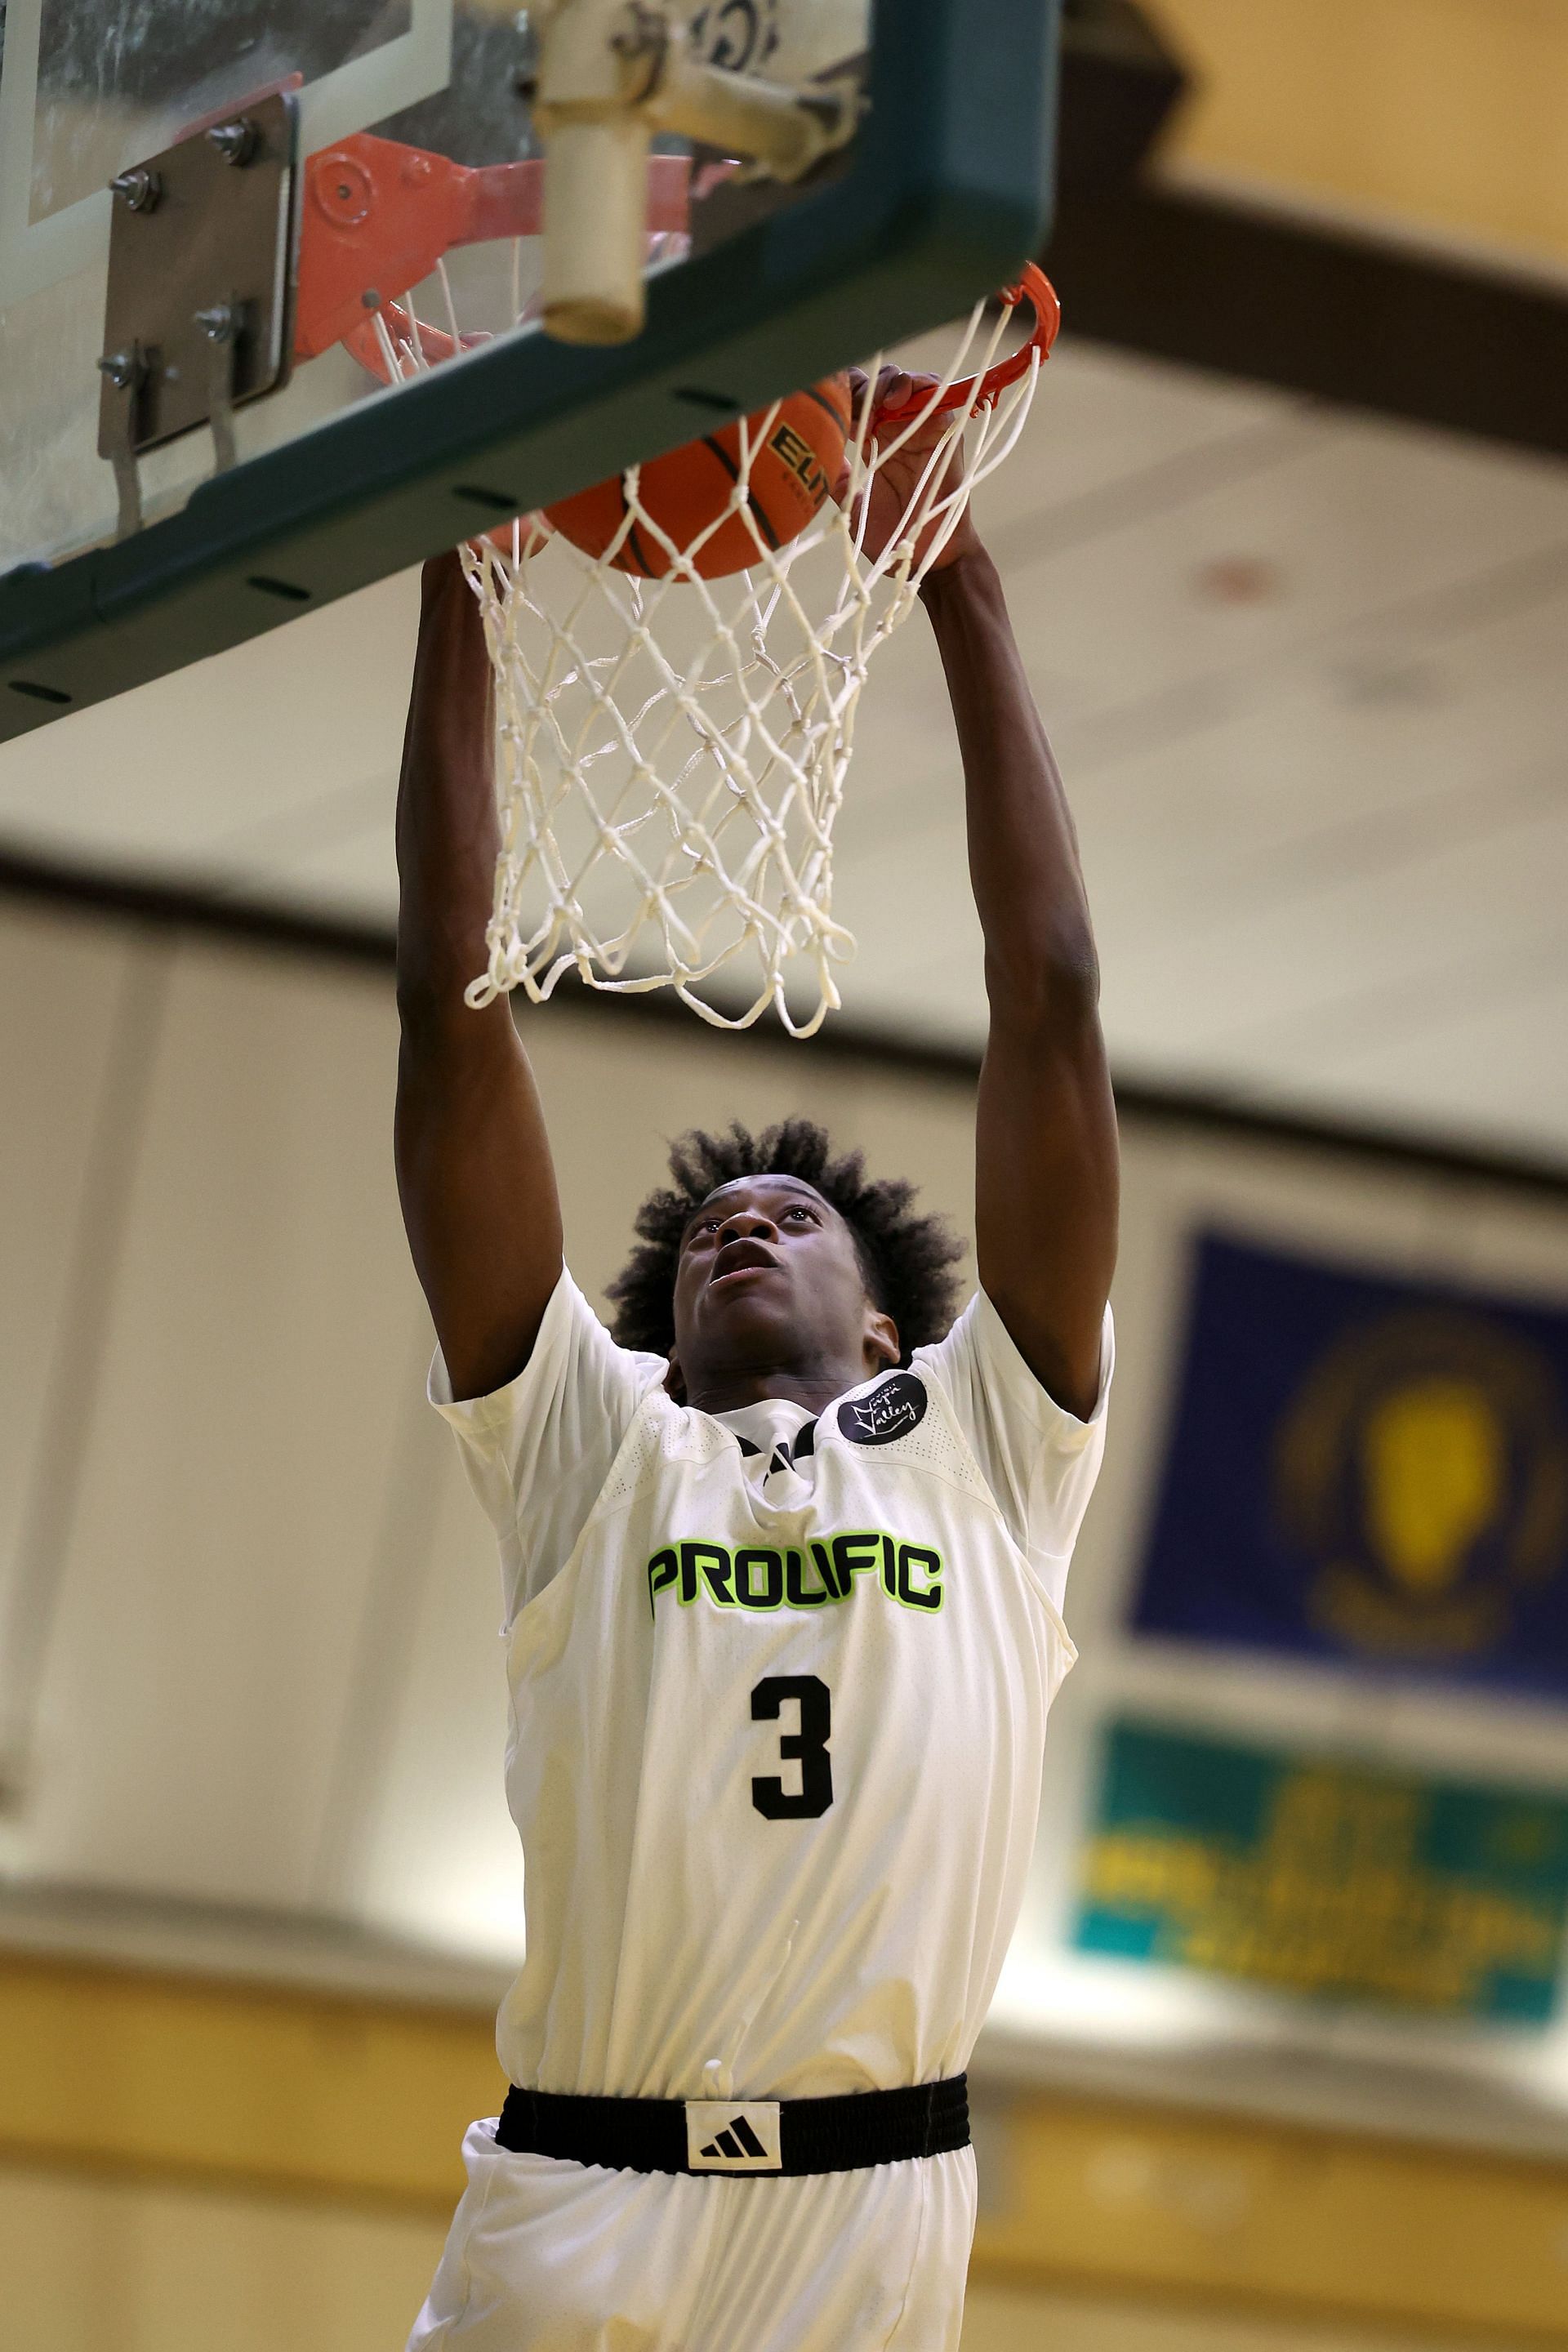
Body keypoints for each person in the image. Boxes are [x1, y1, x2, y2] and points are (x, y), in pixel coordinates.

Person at [394, 371, 1120, 2352]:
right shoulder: (590, 1448)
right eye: (717, 1227)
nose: (746, 1221)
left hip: (869, 2215)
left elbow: (1048, 1003)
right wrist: (463, 566)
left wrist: (950, 572)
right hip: (580, 2189)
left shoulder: (988, 1438)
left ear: (890, 1326)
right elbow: (454, 1018)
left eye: (800, 1217)